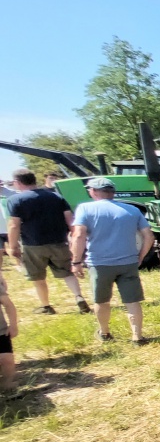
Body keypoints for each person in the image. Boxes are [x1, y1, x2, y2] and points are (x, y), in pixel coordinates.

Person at [70, 177, 154, 343]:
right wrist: (141, 256)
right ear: (112, 192)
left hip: (99, 263)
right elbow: (149, 236)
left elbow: (78, 235)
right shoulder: (132, 210)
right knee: (132, 300)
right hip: (128, 262)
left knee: (101, 300)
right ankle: (137, 336)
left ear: (93, 191)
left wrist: (76, 261)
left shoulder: (85, 209)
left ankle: (105, 333)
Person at [6, 168, 91, 315]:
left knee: (38, 277)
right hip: (59, 242)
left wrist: (13, 246)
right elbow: (70, 219)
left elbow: (14, 225)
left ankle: (46, 306)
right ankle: (79, 297)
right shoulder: (55, 197)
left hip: (32, 245)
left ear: (17, 182)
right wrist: (74, 238)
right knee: (67, 273)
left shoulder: (15, 200)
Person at [0, 263, 18, 392]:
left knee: (7, 360)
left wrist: (13, 325)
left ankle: (7, 385)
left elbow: (8, 305)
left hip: (0, 329)